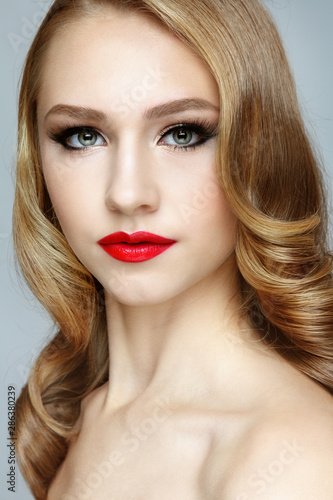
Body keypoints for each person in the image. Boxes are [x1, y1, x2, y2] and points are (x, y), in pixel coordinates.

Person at [13, 0, 333, 499]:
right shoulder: (73, 422)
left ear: (260, 149)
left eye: (182, 134)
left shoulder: (289, 455)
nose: (126, 193)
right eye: (83, 136)